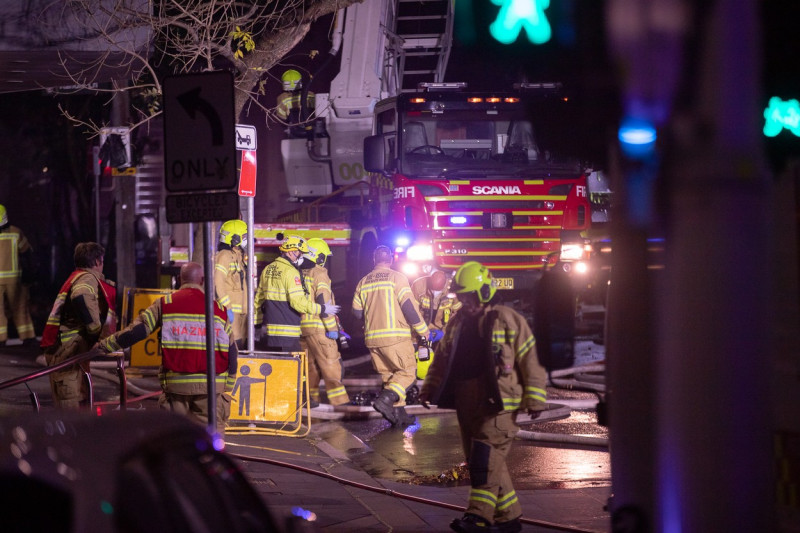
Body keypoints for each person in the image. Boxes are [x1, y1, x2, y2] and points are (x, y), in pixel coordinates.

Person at [418, 261, 548, 533]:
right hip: (466, 402)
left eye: (470, 296)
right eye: (462, 297)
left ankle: (478, 517)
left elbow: (529, 359)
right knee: (487, 462)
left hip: (498, 405)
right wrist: (429, 386)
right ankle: (509, 517)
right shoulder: (457, 322)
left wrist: (535, 397)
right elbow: (441, 359)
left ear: (485, 292)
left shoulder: (507, 319)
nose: (466, 302)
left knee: (483, 461)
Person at [97, 262, 237, 435]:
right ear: (202, 280)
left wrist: (104, 346)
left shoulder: (165, 304)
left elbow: (137, 332)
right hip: (211, 389)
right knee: (209, 444)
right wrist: (226, 386)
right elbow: (232, 352)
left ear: (179, 279)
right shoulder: (219, 309)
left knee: (172, 441)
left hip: (176, 390)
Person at [352, 245, 430, 426]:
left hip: (372, 339)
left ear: (374, 259)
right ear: (391, 260)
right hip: (395, 337)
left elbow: (356, 313)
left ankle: (398, 415)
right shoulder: (397, 278)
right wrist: (422, 330)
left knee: (390, 377)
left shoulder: (363, 282)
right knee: (407, 372)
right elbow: (409, 307)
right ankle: (385, 400)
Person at [40, 242, 117, 409]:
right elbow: (80, 296)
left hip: (69, 351)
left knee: (80, 397)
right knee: (70, 403)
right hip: (68, 351)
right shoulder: (87, 278)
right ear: (97, 262)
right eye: (102, 261)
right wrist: (94, 330)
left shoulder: (76, 276)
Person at [254, 234, 340, 352]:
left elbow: (258, 300)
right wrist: (322, 309)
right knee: (293, 368)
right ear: (291, 252)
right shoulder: (291, 272)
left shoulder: (268, 269)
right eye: (301, 253)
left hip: (272, 333)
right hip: (289, 333)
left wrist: (257, 325)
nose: (302, 257)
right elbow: (298, 303)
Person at [299, 238, 349, 407]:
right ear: (319, 257)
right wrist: (332, 327)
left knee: (310, 367)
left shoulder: (298, 272)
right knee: (331, 364)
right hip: (319, 327)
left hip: (302, 327)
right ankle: (340, 402)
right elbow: (323, 300)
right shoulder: (319, 273)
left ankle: (310, 400)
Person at [0, 204, 36, 347]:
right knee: (20, 308)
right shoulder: (16, 232)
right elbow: (27, 253)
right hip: (15, 279)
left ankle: (1, 339)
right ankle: (27, 337)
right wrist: (30, 272)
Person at [215, 219, 248, 348]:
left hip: (240, 312)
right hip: (231, 311)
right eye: (243, 236)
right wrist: (227, 307)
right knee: (234, 346)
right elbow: (218, 282)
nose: (246, 239)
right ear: (234, 238)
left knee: (241, 346)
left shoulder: (237, 256)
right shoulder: (224, 256)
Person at [411, 268, 461, 337]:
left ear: (444, 284)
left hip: (442, 327)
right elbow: (412, 311)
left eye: (438, 291)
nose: (434, 293)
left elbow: (457, 313)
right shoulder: (419, 285)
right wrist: (423, 330)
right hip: (423, 326)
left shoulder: (452, 288)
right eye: (432, 289)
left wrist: (445, 331)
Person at [276, 69, 315, 137]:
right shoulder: (310, 94)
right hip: (313, 130)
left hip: (293, 132)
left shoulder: (282, 98)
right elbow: (318, 112)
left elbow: (281, 118)